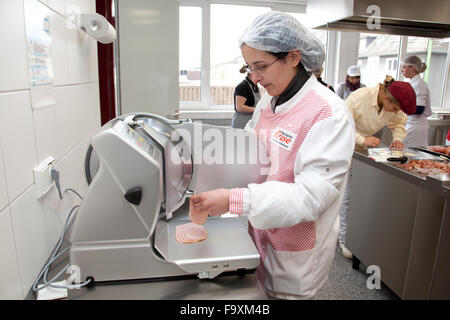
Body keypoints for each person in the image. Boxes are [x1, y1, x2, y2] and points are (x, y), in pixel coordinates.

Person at [189, 11, 355, 300]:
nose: (255, 77)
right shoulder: (269, 101)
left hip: (295, 254)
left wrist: (234, 199)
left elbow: (310, 197)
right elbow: (250, 150)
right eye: (249, 68)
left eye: (261, 66)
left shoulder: (328, 113)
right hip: (259, 235)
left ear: (293, 56)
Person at [338, 75, 416, 259]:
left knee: (358, 194)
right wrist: (362, 139)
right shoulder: (359, 98)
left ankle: (356, 234)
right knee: (346, 195)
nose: (395, 111)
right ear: (386, 97)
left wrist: (397, 139)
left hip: (362, 151)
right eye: (394, 107)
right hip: (342, 145)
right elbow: (340, 125)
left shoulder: (391, 103)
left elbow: (399, 122)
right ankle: (344, 238)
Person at [401, 55, 432, 147]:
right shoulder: (413, 83)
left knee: (411, 156)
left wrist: (400, 106)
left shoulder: (419, 84)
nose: (402, 70)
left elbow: (419, 109)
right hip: (411, 124)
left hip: (416, 126)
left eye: (404, 67)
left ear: (412, 67)